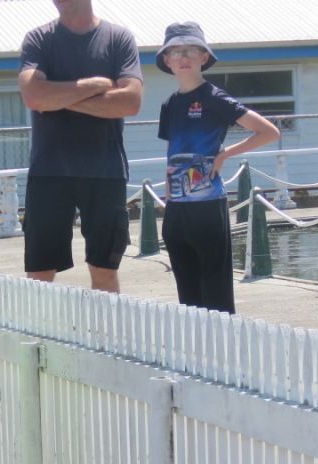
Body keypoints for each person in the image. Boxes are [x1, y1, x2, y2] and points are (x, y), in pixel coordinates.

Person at [18, 0, 143, 293]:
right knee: (39, 274)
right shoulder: (38, 39)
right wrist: (96, 86)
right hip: (49, 171)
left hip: (105, 170)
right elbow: (34, 97)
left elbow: (131, 102)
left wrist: (59, 99)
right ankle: (40, 339)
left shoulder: (118, 38)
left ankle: (107, 339)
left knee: (104, 270)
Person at [156, 22, 279, 314]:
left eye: (191, 50)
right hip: (177, 209)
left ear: (204, 57)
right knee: (187, 293)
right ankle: (194, 357)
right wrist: (169, 197)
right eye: (176, 51)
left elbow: (269, 132)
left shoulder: (214, 97)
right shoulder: (169, 104)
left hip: (208, 205)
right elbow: (173, 152)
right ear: (167, 60)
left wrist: (225, 155)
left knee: (216, 291)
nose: (183, 56)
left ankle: (223, 356)